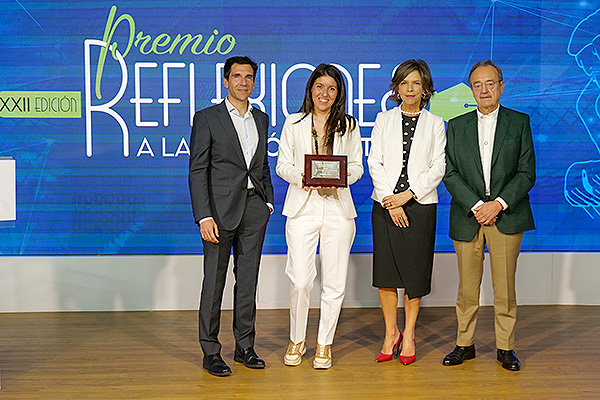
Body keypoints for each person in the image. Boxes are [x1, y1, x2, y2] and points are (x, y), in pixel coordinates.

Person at [442, 60, 536, 371]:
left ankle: (505, 348)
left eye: (490, 83)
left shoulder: (519, 122)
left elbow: (526, 173)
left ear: (501, 86)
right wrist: (476, 206)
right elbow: (450, 173)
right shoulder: (456, 125)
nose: (484, 90)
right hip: (468, 217)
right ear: (471, 89)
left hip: (506, 216)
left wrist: (497, 204)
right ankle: (464, 344)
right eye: (478, 85)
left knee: (505, 289)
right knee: (467, 289)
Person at [189, 56, 274, 377]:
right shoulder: (207, 118)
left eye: (249, 77)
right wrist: (203, 216)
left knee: (248, 282)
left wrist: (268, 202)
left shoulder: (261, 119)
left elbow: (261, 165)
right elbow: (197, 170)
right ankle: (210, 351)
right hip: (218, 213)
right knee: (214, 283)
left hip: (255, 210)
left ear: (254, 82)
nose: (243, 82)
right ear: (225, 81)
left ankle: (245, 347)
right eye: (237, 76)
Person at [276, 63, 363, 369]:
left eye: (331, 88)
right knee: (300, 281)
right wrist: (303, 176)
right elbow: (282, 164)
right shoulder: (294, 122)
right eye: (319, 86)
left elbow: (357, 166)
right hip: (303, 205)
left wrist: (341, 177)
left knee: (335, 283)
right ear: (310, 89)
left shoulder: (349, 125)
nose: (324, 93)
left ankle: (324, 343)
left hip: (338, 207)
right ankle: (297, 339)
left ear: (338, 93)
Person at [367, 59, 446, 365]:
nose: (410, 89)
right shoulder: (383, 120)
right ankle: (391, 333)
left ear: (425, 88)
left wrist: (408, 196)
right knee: (386, 276)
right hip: (385, 206)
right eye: (404, 83)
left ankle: (410, 334)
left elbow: (438, 166)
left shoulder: (436, 124)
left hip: (420, 207)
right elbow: (376, 161)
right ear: (396, 88)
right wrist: (390, 199)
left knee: (414, 276)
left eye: (416, 83)